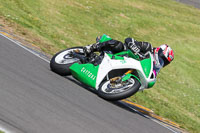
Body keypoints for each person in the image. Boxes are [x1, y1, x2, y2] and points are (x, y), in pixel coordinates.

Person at [83, 34, 174, 78]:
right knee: (118, 45)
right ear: (159, 52)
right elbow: (129, 40)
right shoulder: (148, 47)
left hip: (123, 65)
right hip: (120, 54)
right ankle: (92, 47)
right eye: (163, 59)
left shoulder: (150, 67)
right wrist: (138, 52)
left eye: (165, 62)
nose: (163, 62)